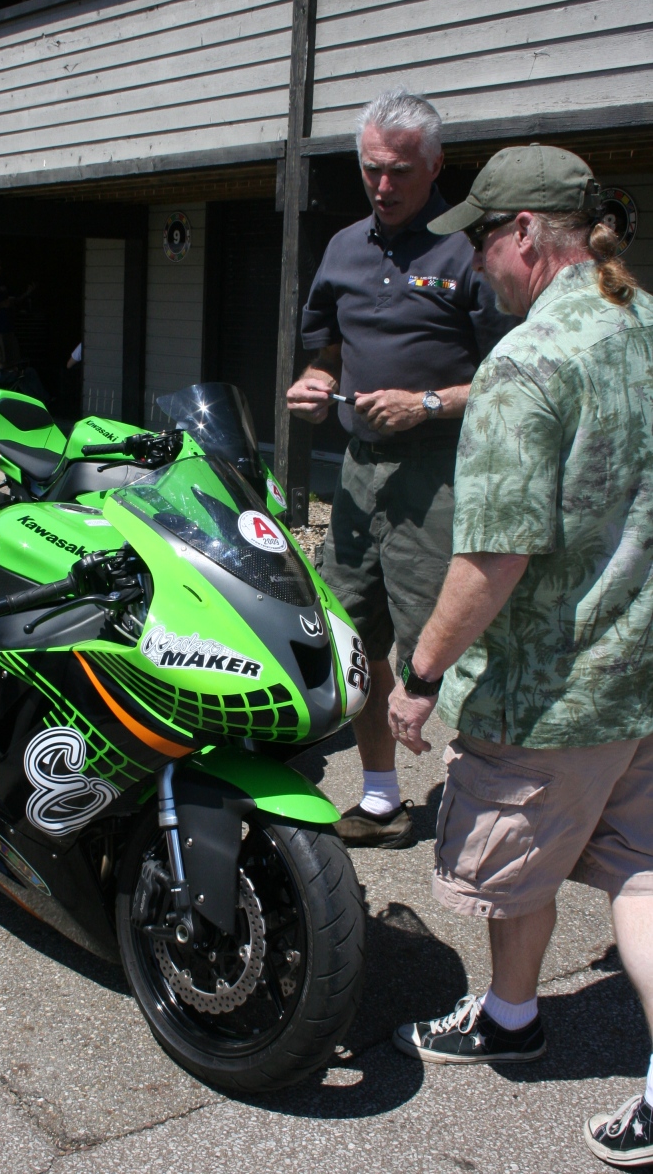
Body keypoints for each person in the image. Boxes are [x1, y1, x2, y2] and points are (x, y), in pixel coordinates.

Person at [386, 144, 653, 1170]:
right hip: (642, 681)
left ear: (529, 238)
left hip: (551, 691)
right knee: (640, 873)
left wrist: (416, 678)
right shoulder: (644, 326)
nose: (475, 267)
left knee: (515, 866)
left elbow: (493, 557)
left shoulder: (528, 362)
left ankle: (508, 1014)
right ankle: (510, 1015)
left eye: (484, 241)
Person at [286, 88, 512, 848]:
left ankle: (488, 814)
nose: (384, 185)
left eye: (401, 171)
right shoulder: (345, 246)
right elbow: (326, 347)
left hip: (440, 472)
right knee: (354, 639)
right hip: (356, 472)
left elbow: (515, 374)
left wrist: (429, 404)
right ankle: (381, 798)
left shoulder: (471, 251)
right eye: (372, 169)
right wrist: (319, 383)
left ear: (437, 165)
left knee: (445, 646)